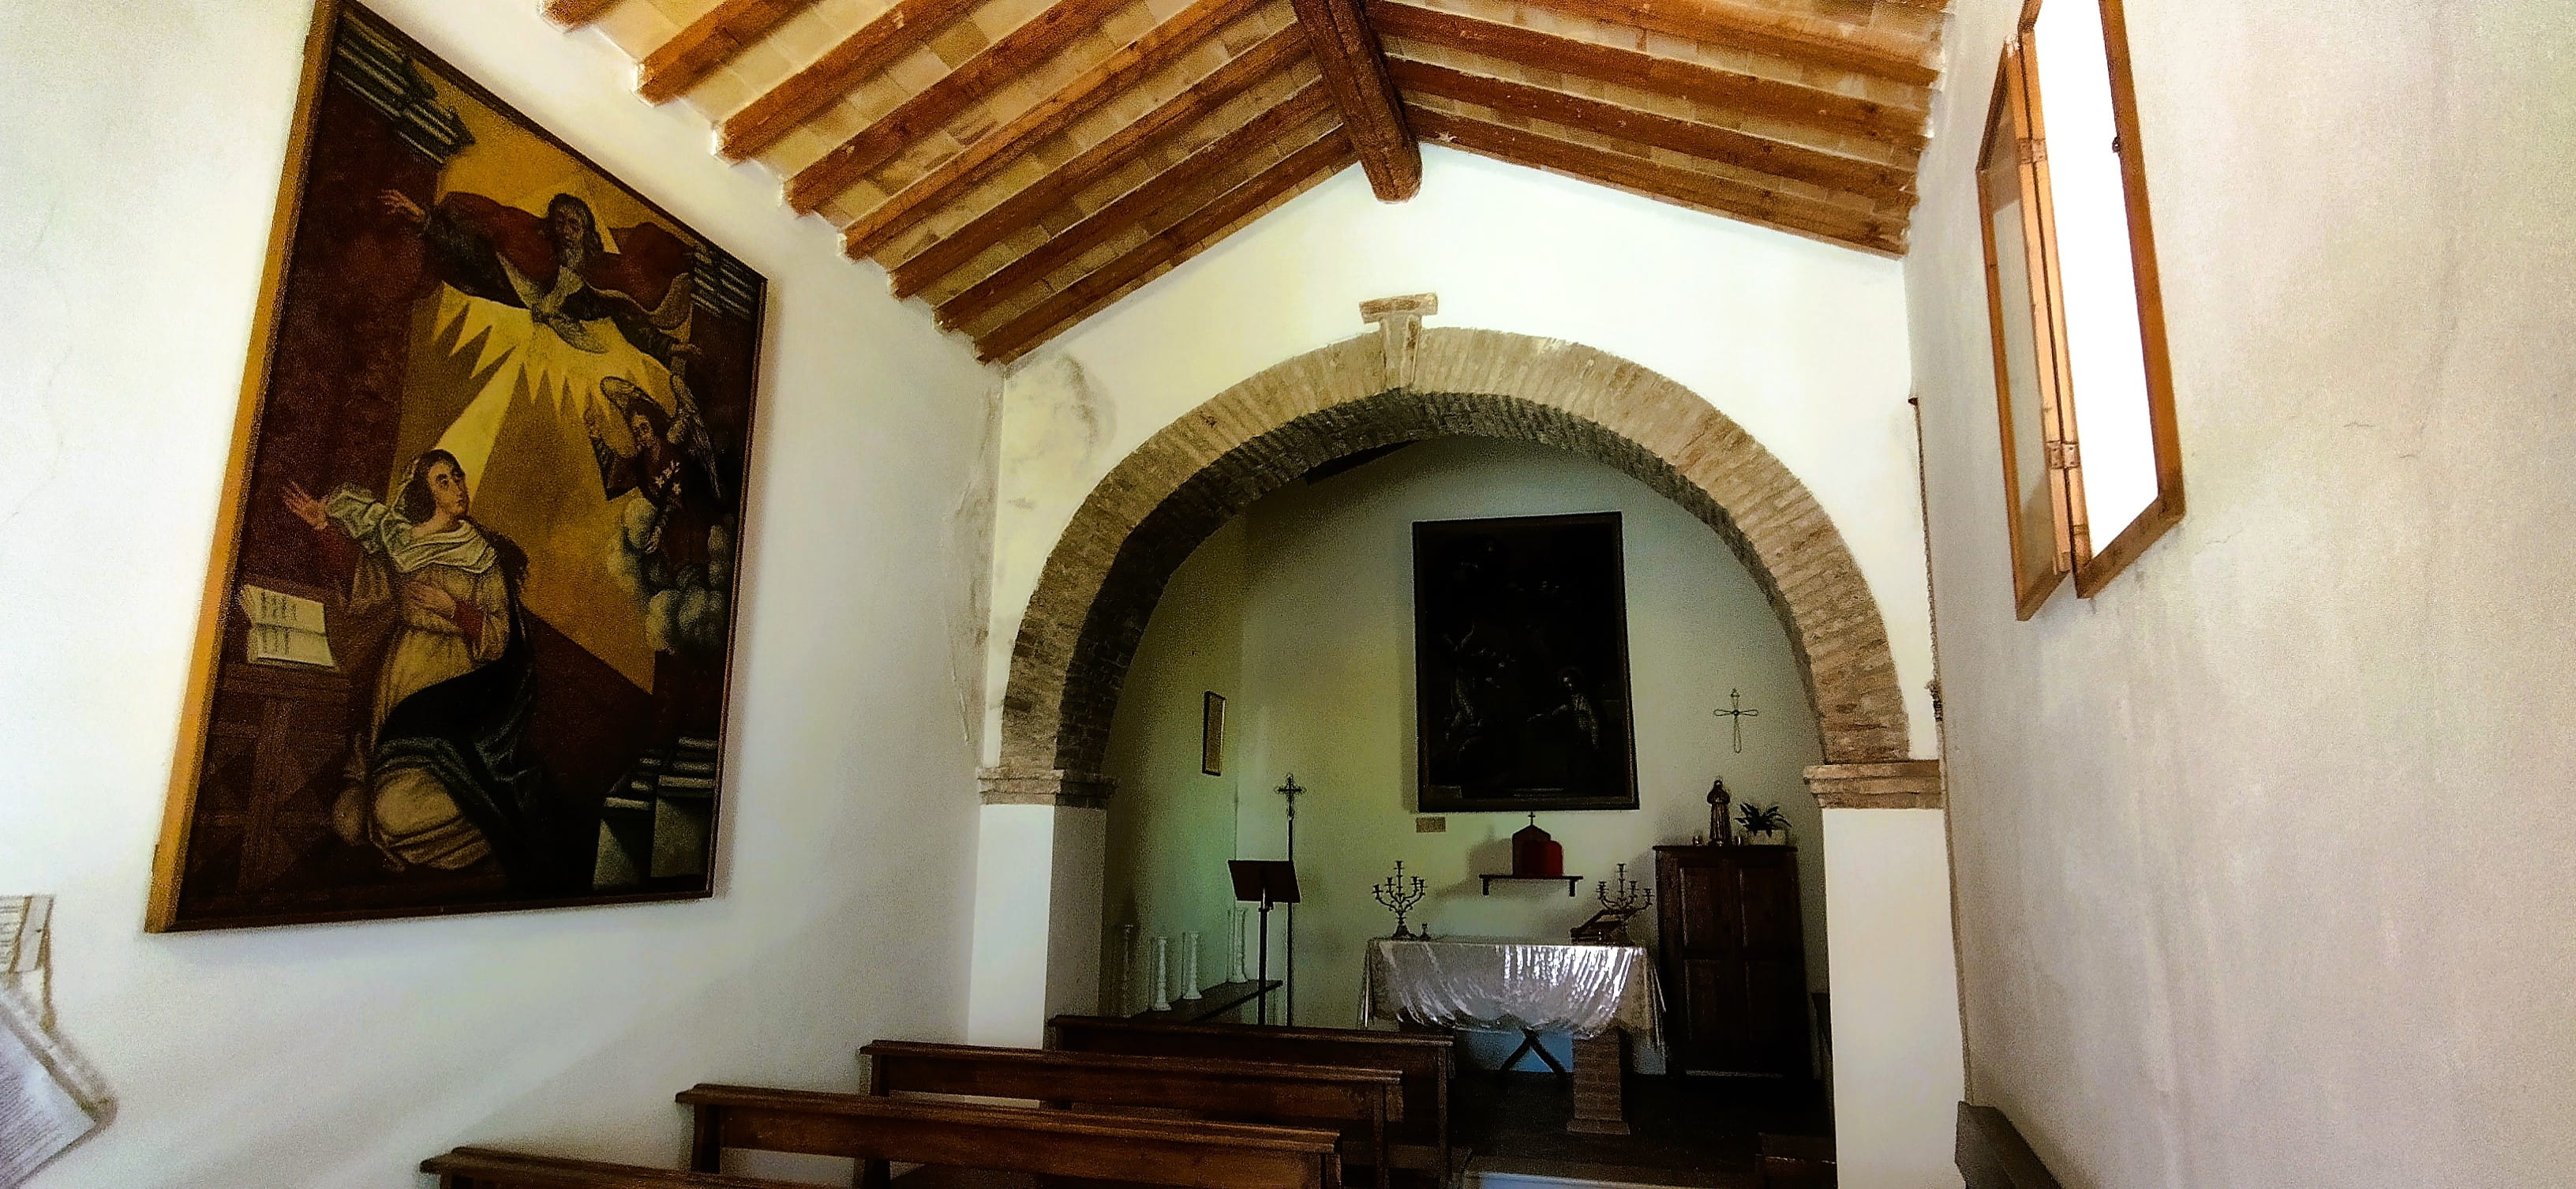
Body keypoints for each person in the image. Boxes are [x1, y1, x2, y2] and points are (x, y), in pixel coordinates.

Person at [283, 451, 562, 889]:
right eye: (443, 481)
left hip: (454, 705)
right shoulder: (405, 545)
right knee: (349, 819)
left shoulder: (482, 557)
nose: (456, 488)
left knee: (389, 814)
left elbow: (500, 637)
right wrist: (325, 529)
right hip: (396, 692)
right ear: (425, 492)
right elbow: (367, 584)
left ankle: (485, 824)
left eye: (457, 477)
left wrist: (452, 609)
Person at [380, 189, 697, 369]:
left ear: (587, 233)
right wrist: (427, 222)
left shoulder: (597, 278)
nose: (566, 231)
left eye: (574, 224)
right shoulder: (531, 256)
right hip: (481, 266)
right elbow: (478, 254)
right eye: (560, 221)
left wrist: (669, 349)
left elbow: (626, 316)